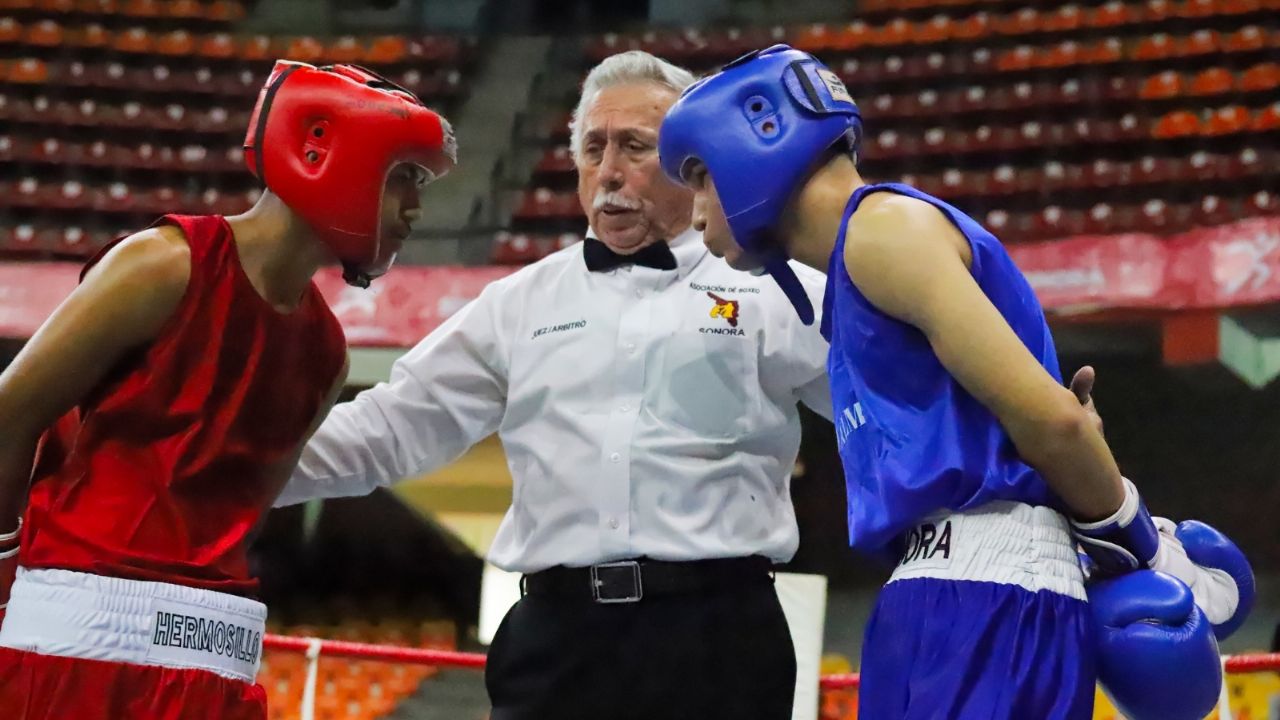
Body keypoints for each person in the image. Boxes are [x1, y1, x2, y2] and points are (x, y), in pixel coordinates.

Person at [659, 44, 1255, 720]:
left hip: (985, 596)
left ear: (759, 132)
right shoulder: (856, 275)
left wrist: (1143, 548)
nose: (696, 207)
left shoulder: (883, 232)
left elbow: (1055, 421)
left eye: (700, 176)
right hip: (937, 591)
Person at [274, 50, 832, 720]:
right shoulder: (520, 302)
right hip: (556, 639)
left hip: (718, 636)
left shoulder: (775, 289)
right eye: (593, 149)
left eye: (634, 147)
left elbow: (885, 409)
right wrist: (227, 470)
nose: (610, 173)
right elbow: (389, 429)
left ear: (695, 163)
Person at [0, 61, 455, 719]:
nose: (415, 206)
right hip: (79, 640)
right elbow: (13, 411)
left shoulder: (325, 351)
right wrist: (6, 565)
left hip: (216, 654)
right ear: (327, 155)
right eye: (405, 177)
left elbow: (243, 516)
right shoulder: (162, 264)